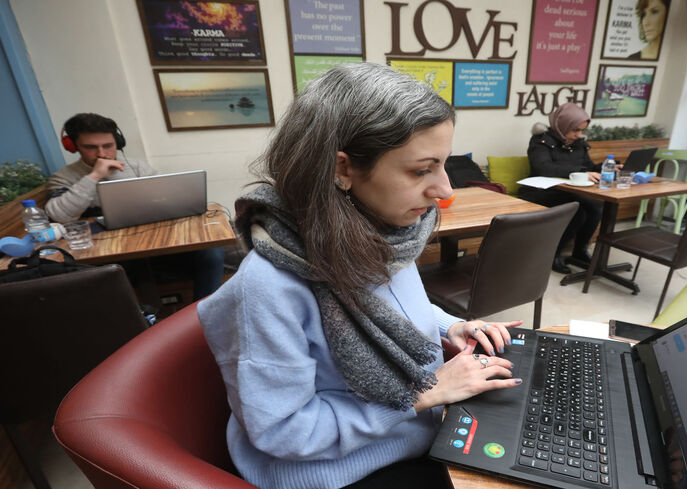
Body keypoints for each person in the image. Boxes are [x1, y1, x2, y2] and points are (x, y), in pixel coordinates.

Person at [197, 62, 524, 489]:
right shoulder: (270, 286)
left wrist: (453, 326)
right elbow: (284, 432)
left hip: (410, 432)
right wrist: (422, 394)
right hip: (337, 470)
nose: (445, 190)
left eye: (443, 164)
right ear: (343, 170)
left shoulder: (384, 230)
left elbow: (390, 309)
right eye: (421, 169)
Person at [47, 112, 223, 300]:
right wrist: (94, 176)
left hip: (155, 244)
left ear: (118, 143)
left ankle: (204, 310)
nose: (101, 153)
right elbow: (59, 216)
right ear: (73, 147)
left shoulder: (137, 168)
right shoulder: (64, 177)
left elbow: (167, 196)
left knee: (211, 253)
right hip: (110, 251)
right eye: (90, 147)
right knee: (118, 270)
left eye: (108, 146)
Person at [521, 102, 603, 274]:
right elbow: (544, 168)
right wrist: (580, 172)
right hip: (540, 192)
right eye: (575, 130)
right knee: (577, 212)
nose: (579, 135)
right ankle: (553, 254)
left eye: (582, 130)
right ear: (562, 125)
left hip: (568, 192)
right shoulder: (540, 140)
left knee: (595, 207)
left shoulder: (578, 143)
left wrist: (607, 167)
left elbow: (588, 166)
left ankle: (580, 251)